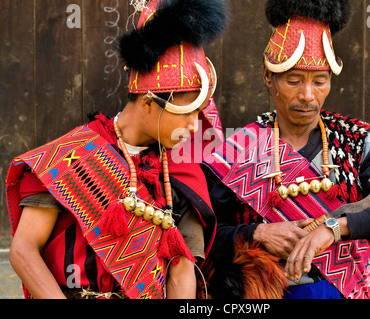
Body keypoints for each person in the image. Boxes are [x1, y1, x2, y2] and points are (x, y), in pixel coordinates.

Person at [202, 0, 370, 299]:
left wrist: (337, 226)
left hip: (347, 290)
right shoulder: (237, 150)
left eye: (320, 81)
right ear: (269, 77)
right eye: (294, 80)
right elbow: (203, 236)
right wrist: (256, 233)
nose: (308, 95)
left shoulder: (354, 144)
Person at [6, 0, 227, 299]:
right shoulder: (72, 157)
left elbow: (180, 270)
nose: (194, 124)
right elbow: (23, 250)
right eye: (186, 112)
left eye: (199, 111)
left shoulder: (181, 174)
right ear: (148, 104)